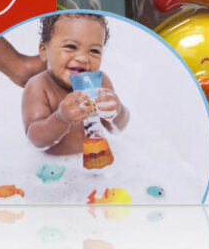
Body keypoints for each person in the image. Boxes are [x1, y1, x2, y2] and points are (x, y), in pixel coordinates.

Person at [21, 14, 129, 154]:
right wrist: (60, 119)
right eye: (71, 46)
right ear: (44, 51)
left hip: (95, 159)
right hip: (52, 165)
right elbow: (36, 139)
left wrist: (117, 111)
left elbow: (116, 129)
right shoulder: (39, 87)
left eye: (94, 51)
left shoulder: (100, 82)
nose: (83, 58)